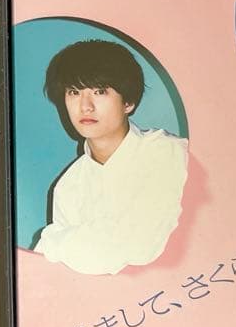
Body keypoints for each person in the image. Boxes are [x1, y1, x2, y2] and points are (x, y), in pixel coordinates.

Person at [33, 40, 188, 275]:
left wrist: (53, 239)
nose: (85, 106)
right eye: (74, 92)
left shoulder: (166, 152)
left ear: (128, 102)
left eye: (99, 91)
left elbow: (141, 245)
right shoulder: (68, 187)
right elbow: (62, 275)